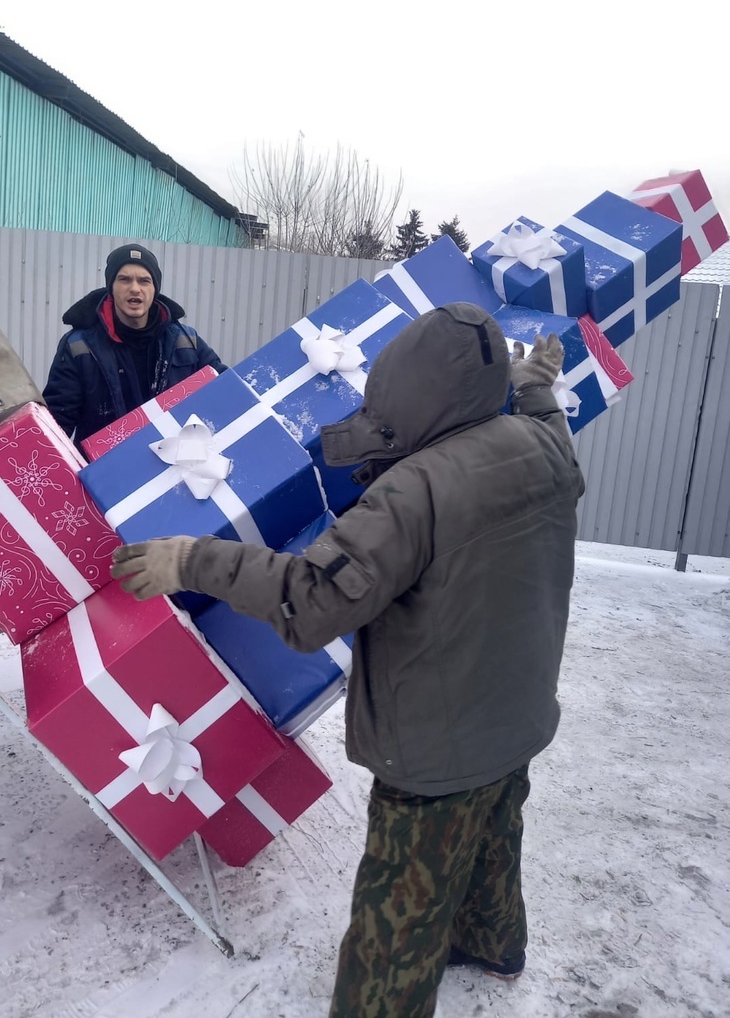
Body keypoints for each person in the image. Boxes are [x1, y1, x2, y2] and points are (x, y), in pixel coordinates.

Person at [110, 302, 586, 1018]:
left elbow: (311, 603)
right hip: (516, 711)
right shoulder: (541, 444)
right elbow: (549, 424)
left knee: (399, 910)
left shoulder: (412, 491)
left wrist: (192, 559)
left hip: (435, 740)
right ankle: (493, 941)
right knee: (494, 826)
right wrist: (536, 383)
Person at [43, 243, 227, 448]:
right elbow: (56, 424)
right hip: (105, 471)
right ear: (111, 287)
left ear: (154, 288)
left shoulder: (186, 341)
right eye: (124, 279)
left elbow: (225, 392)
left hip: (171, 469)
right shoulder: (79, 346)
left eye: (144, 281)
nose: (135, 288)